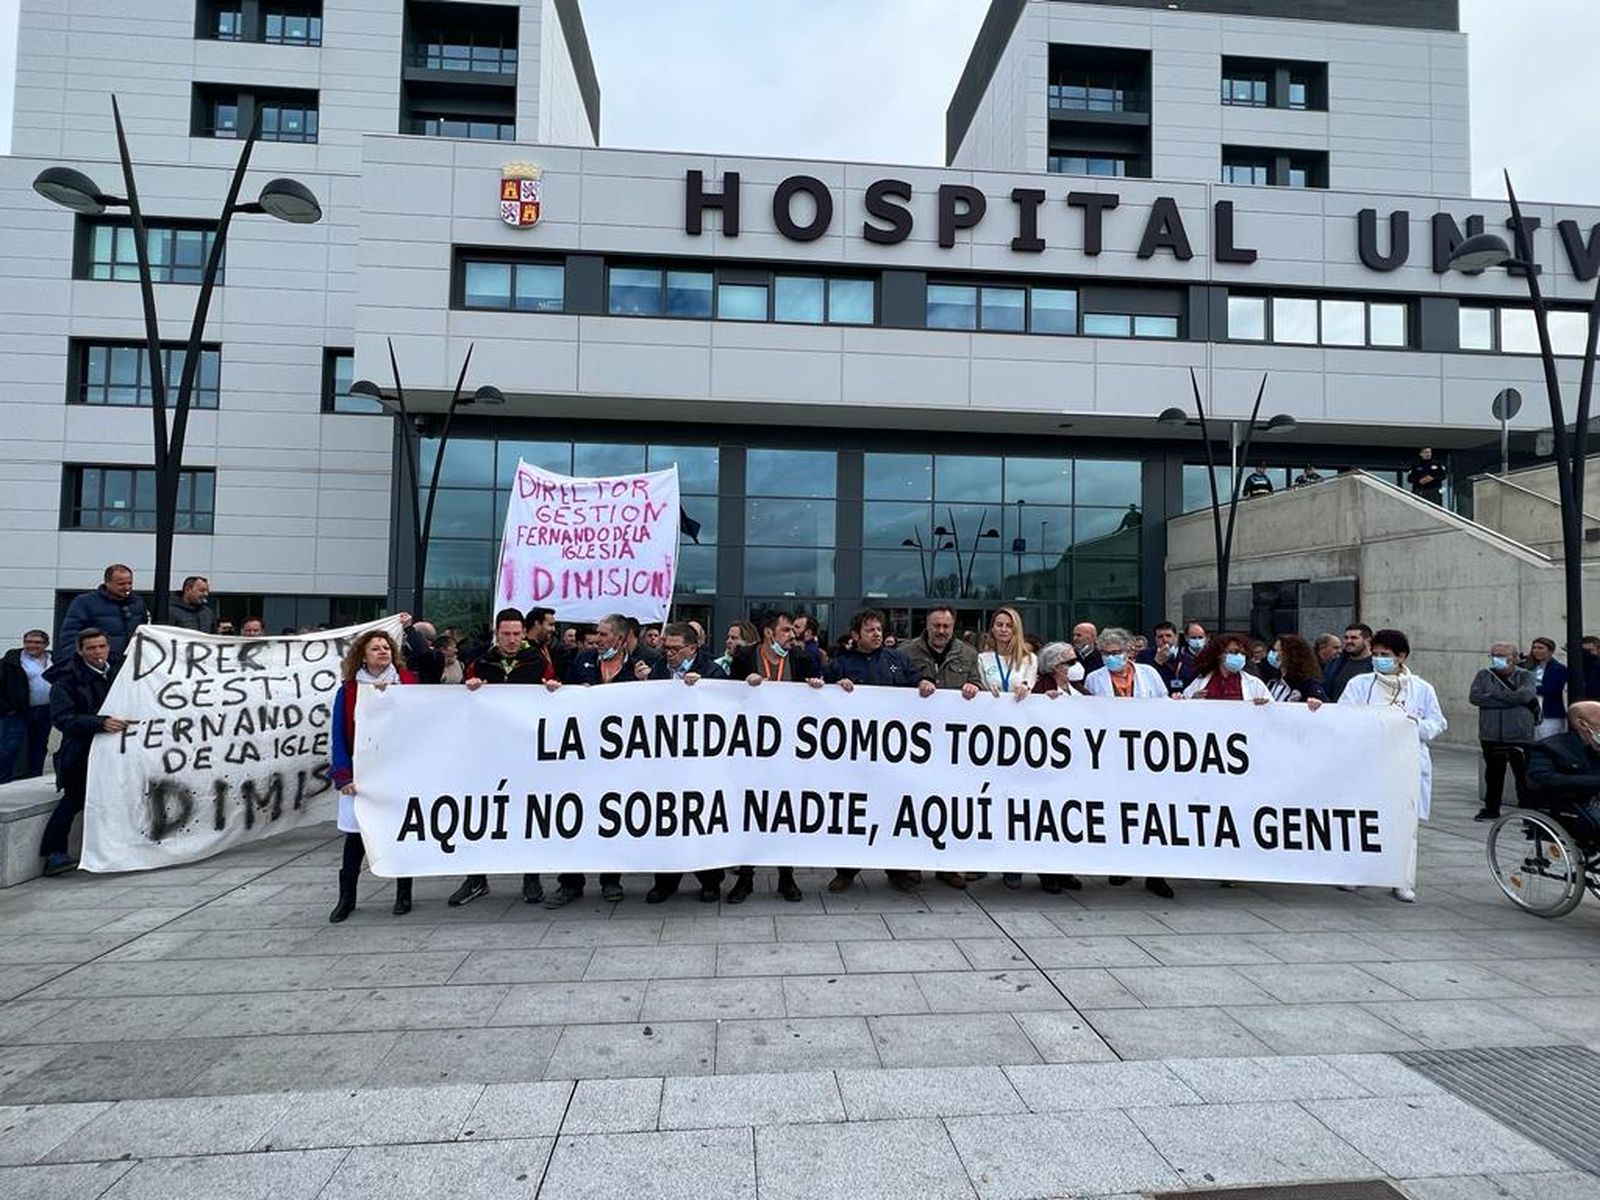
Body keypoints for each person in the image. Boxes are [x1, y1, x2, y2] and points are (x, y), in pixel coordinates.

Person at [448, 609, 556, 909]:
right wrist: (468, 689)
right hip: (487, 754)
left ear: (524, 634)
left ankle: (531, 876)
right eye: (506, 634)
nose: (511, 639)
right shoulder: (480, 663)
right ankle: (476, 878)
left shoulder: (539, 663)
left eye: (516, 634)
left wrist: (553, 690)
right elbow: (459, 706)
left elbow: (556, 701)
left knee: (529, 813)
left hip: (526, 753)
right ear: (496, 633)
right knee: (480, 813)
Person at [1335, 629, 1446, 902]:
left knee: (1405, 824)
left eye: (1385, 654)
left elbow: (1437, 723)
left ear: (1401, 656)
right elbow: (1343, 715)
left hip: (1407, 763)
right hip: (1369, 763)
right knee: (1365, 819)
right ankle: (1358, 873)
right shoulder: (1360, 684)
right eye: (1375, 654)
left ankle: (1402, 880)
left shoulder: (1421, 688)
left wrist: (1413, 725)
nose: (1379, 659)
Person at [551, 613, 647, 907]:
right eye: (597, 633)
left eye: (604, 634)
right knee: (575, 817)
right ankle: (570, 882)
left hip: (620, 759)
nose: (598, 639)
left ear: (620, 638)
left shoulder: (638, 668)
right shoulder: (583, 661)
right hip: (583, 755)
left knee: (613, 817)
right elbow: (564, 697)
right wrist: (556, 691)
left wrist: (646, 683)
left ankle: (610, 879)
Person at [826, 609, 922, 895]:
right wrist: (834, 688)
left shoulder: (897, 660)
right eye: (870, 630)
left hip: (892, 754)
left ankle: (897, 870)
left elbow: (917, 683)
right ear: (856, 635)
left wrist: (924, 684)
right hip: (855, 755)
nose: (877, 634)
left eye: (879, 629)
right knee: (854, 811)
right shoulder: (841, 664)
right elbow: (818, 694)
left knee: (892, 810)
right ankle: (846, 871)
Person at [730, 608, 822, 903]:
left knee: (785, 810)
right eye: (786, 630)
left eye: (793, 630)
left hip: (789, 749)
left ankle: (786, 876)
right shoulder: (745, 657)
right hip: (752, 749)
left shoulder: (801, 658)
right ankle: (745, 877)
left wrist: (816, 686)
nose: (792, 635)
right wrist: (744, 685)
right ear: (769, 632)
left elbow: (818, 696)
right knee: (750, 811)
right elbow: (728, 695)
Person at [328, 628, 417, 921]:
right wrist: (343, 775)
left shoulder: (408, 683)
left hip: (399, 769)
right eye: (375, 648)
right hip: (361, 772)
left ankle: (404, 893)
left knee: (401, 831)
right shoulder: (350, 691)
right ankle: (346, 898)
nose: (382, 651)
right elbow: (339, 734)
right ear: (363, 656)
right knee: (356, 837)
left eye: (386, 647)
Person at [1083, 628, 1174, 899]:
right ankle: (1121, 865)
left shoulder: (1149, 674)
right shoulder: (1094, 679)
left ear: (1128, 652)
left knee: (1151, 813)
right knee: (1119, 812)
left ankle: (1155, 874)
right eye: (1106, 653)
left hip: (1147, 754)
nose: (1111, 657)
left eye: (1116, 652)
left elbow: (1165, 706)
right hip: (1112, 755)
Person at [647, 622, 731, 905]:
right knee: (667, 820)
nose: (669, 653)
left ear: (692, 648)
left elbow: (728, 706)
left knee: (701, 819)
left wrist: (705, 688)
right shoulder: (658, 670)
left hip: (702, 761)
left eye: (675, 648)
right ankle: (665, 882)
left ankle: (710, 881)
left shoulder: (712, 671)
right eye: (666, 648)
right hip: (667, 760)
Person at [39, 628, 131, 876]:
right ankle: (54, 854)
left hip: (118, 750)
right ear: (80, 651)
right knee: (74, 799)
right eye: (91, 648)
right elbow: (63, 719)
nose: (98, 652)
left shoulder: (120, 670)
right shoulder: (65, 680)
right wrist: (99, 723)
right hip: (82, 752)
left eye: (102, 646)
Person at [903, 607, 982, 889]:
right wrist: (916, 683)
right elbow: (894, 687)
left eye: (946, 626)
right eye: (936, 625)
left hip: (952, 746)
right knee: (913, 803)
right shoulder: (906, 652)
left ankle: (946, 866)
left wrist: (974, 687)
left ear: (953, 626)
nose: (941, 631)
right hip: (915, 743)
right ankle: (910, 865)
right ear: (927, 625)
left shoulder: (968, 654)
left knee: (950, 804)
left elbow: (979, 685)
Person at [1468, 643, 1536, 821]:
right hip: (1491, 733)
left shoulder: (1525, 675)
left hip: (1519, 733)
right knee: (1493, 774)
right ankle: (1491, 809)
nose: (1497, 658)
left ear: (1513, 657)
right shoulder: (1484, 675)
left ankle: (1528, 813)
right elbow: (1475, 697)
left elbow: (1525, 696)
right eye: (1494, 655)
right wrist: (1509, 700)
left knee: (1522, 775)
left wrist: (1491, 697)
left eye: (1502, 655)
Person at [1524, 700, 1600, 832]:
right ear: (1582, 724)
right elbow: (1542, 778)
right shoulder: (1550, 747)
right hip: (1576, 804)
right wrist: (1594, 782)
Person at [59, 564, 148, 657]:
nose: (127, 587)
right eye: (121, 584)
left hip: (131, 660)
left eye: (130, 583)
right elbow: (70, 636)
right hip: (99, 660)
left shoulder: (138, 602)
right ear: (107, 583)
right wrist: (76, 660)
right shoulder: (85, 602)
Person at [1, 630, 53, 784]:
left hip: (45, 710)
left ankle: (33, 778)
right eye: (28, 642)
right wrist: (6, 707)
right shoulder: (11, 660)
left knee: (39, 746)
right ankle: (3, 780)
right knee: (9, 746)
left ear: (46, 644)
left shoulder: (53, 659)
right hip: (18, 711)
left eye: (37, 642)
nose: (32, 645)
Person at [1182, 634, 1272, 703]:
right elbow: (1183, 706)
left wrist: (1262, 706)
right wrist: (1192, 701)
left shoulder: (1255, 684)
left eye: (1243, 653)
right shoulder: (1200, 681)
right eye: (1234, 652)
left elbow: (1272, 710)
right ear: (1219, 655)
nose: (1240, 656)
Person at [978, 606, 1037, 701]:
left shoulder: (1030, 658)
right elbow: (981, 689)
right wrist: (987, 690)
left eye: (1009, 626)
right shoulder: (982, 659)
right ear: (993, 629)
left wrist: (1025, 687)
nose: (1003, 629)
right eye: (999, 625)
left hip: (1020, 707)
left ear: (1016, 630)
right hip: (991, 707)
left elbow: (1030, 685)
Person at [1525, 637, 1569, 741]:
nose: (1536, 651)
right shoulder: (1529, 667)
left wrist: (1528, 689)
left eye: (1540, 648)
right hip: (1531, 712)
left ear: (1550, 651)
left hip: (1549, 713)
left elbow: (1551, 689)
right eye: (1534, 648)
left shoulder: (1558, 668)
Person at [1266, 634, 1327, 704]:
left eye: (1277, 651)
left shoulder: (1308, 687)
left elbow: (1325, 706)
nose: (1273, 654)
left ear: (1291, 655)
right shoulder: (1272, 683)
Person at [1322, 623, 1375, 701]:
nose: (1348, 641)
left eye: (1354, 638)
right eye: (1346, 638)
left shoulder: (1376, 665)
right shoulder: (1335, 664)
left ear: (1367, 641)